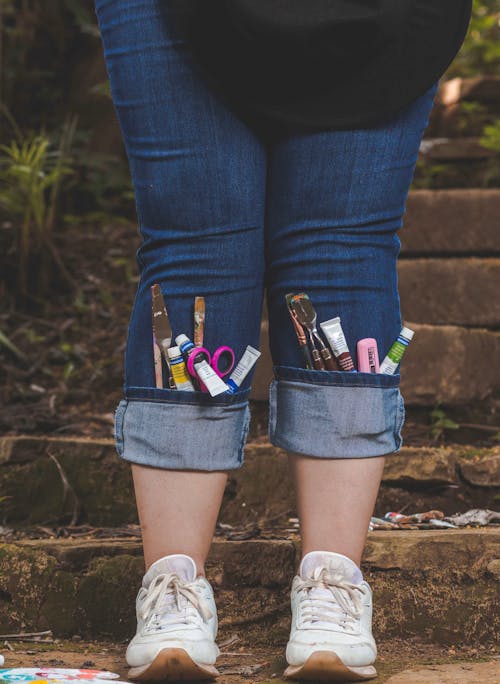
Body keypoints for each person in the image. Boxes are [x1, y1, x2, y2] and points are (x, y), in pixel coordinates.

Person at [93, 1, 472, 681]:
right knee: (197, 243)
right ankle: (172, 588)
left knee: (342, 251)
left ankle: (332, 584)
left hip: (375, 19)